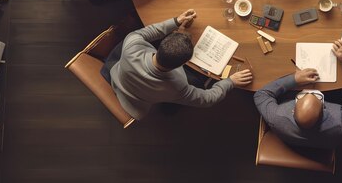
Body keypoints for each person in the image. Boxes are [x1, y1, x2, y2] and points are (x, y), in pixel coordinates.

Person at [108, 8, 253, 120]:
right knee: (197, 81)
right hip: (135, 104)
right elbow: (208, 99)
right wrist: (230, 82)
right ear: (184, 63)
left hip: (117, 76)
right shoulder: (177, 87)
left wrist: (176, 21)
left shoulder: (131, 45)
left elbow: (151, 31)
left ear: (161, 44)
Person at [253, 39, 342, 149]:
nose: (311, 91)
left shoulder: (277, 118)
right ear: (324, 108)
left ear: (293, 109)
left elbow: (261, 95)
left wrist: (294, 79)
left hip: (292, 143)